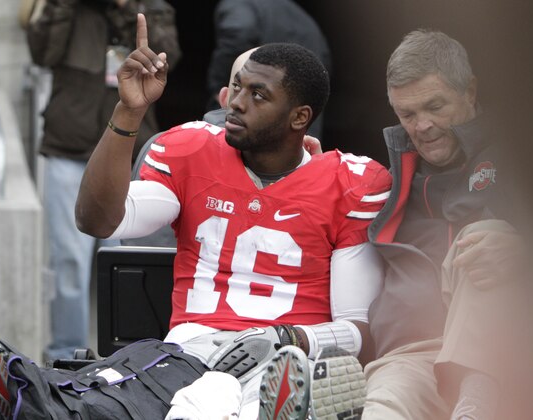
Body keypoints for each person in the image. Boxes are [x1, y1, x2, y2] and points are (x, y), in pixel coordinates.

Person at [76, 13, 391, 419]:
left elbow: (357, 331)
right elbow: (98, 221)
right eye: (237, 86)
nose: (236, 102)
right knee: (207, 397)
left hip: (292, 354)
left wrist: (284, 337)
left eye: (258, 95)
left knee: (261, 392)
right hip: (193, 349)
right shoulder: (190, 150)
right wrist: (127, 113)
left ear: (299, 117)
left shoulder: (350, 181)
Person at [362, 29, 527, 420]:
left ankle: (475, 401)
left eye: (435, 106)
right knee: (385, 408)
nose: (421, 127)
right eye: (407, 115)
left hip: (512, 351)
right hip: (411, 355)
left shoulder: (529, 155)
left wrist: (531, 249)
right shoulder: (379, 178)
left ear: (469, 91)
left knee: (485, 237)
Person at [25, 0, 181, 361]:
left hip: (128, 154)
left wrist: (128, 9)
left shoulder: (151, 7)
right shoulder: (67, 7)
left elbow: (168, 57)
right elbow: (41, 52)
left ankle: (130, 356)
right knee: (69, 261)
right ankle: (67, 354)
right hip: (70, 148)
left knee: (128, 260)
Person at [206, 0, 332, 139]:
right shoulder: (304, 19)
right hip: (299, 129)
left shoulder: (241, 4)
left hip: (253, 130)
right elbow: (323, 64)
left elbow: (239, 34)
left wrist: (222, 85)